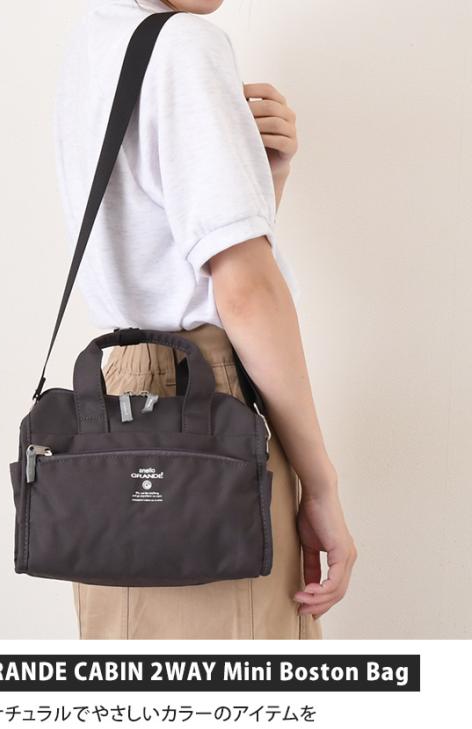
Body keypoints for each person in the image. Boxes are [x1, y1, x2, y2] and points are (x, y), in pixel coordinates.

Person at [53, 0, 357, 639]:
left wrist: (258, 179)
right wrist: (321, 486)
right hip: (207, 395)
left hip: (119, 394)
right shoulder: (186, 43)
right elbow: (244, 294)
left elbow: (163, 257)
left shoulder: (95, 39)